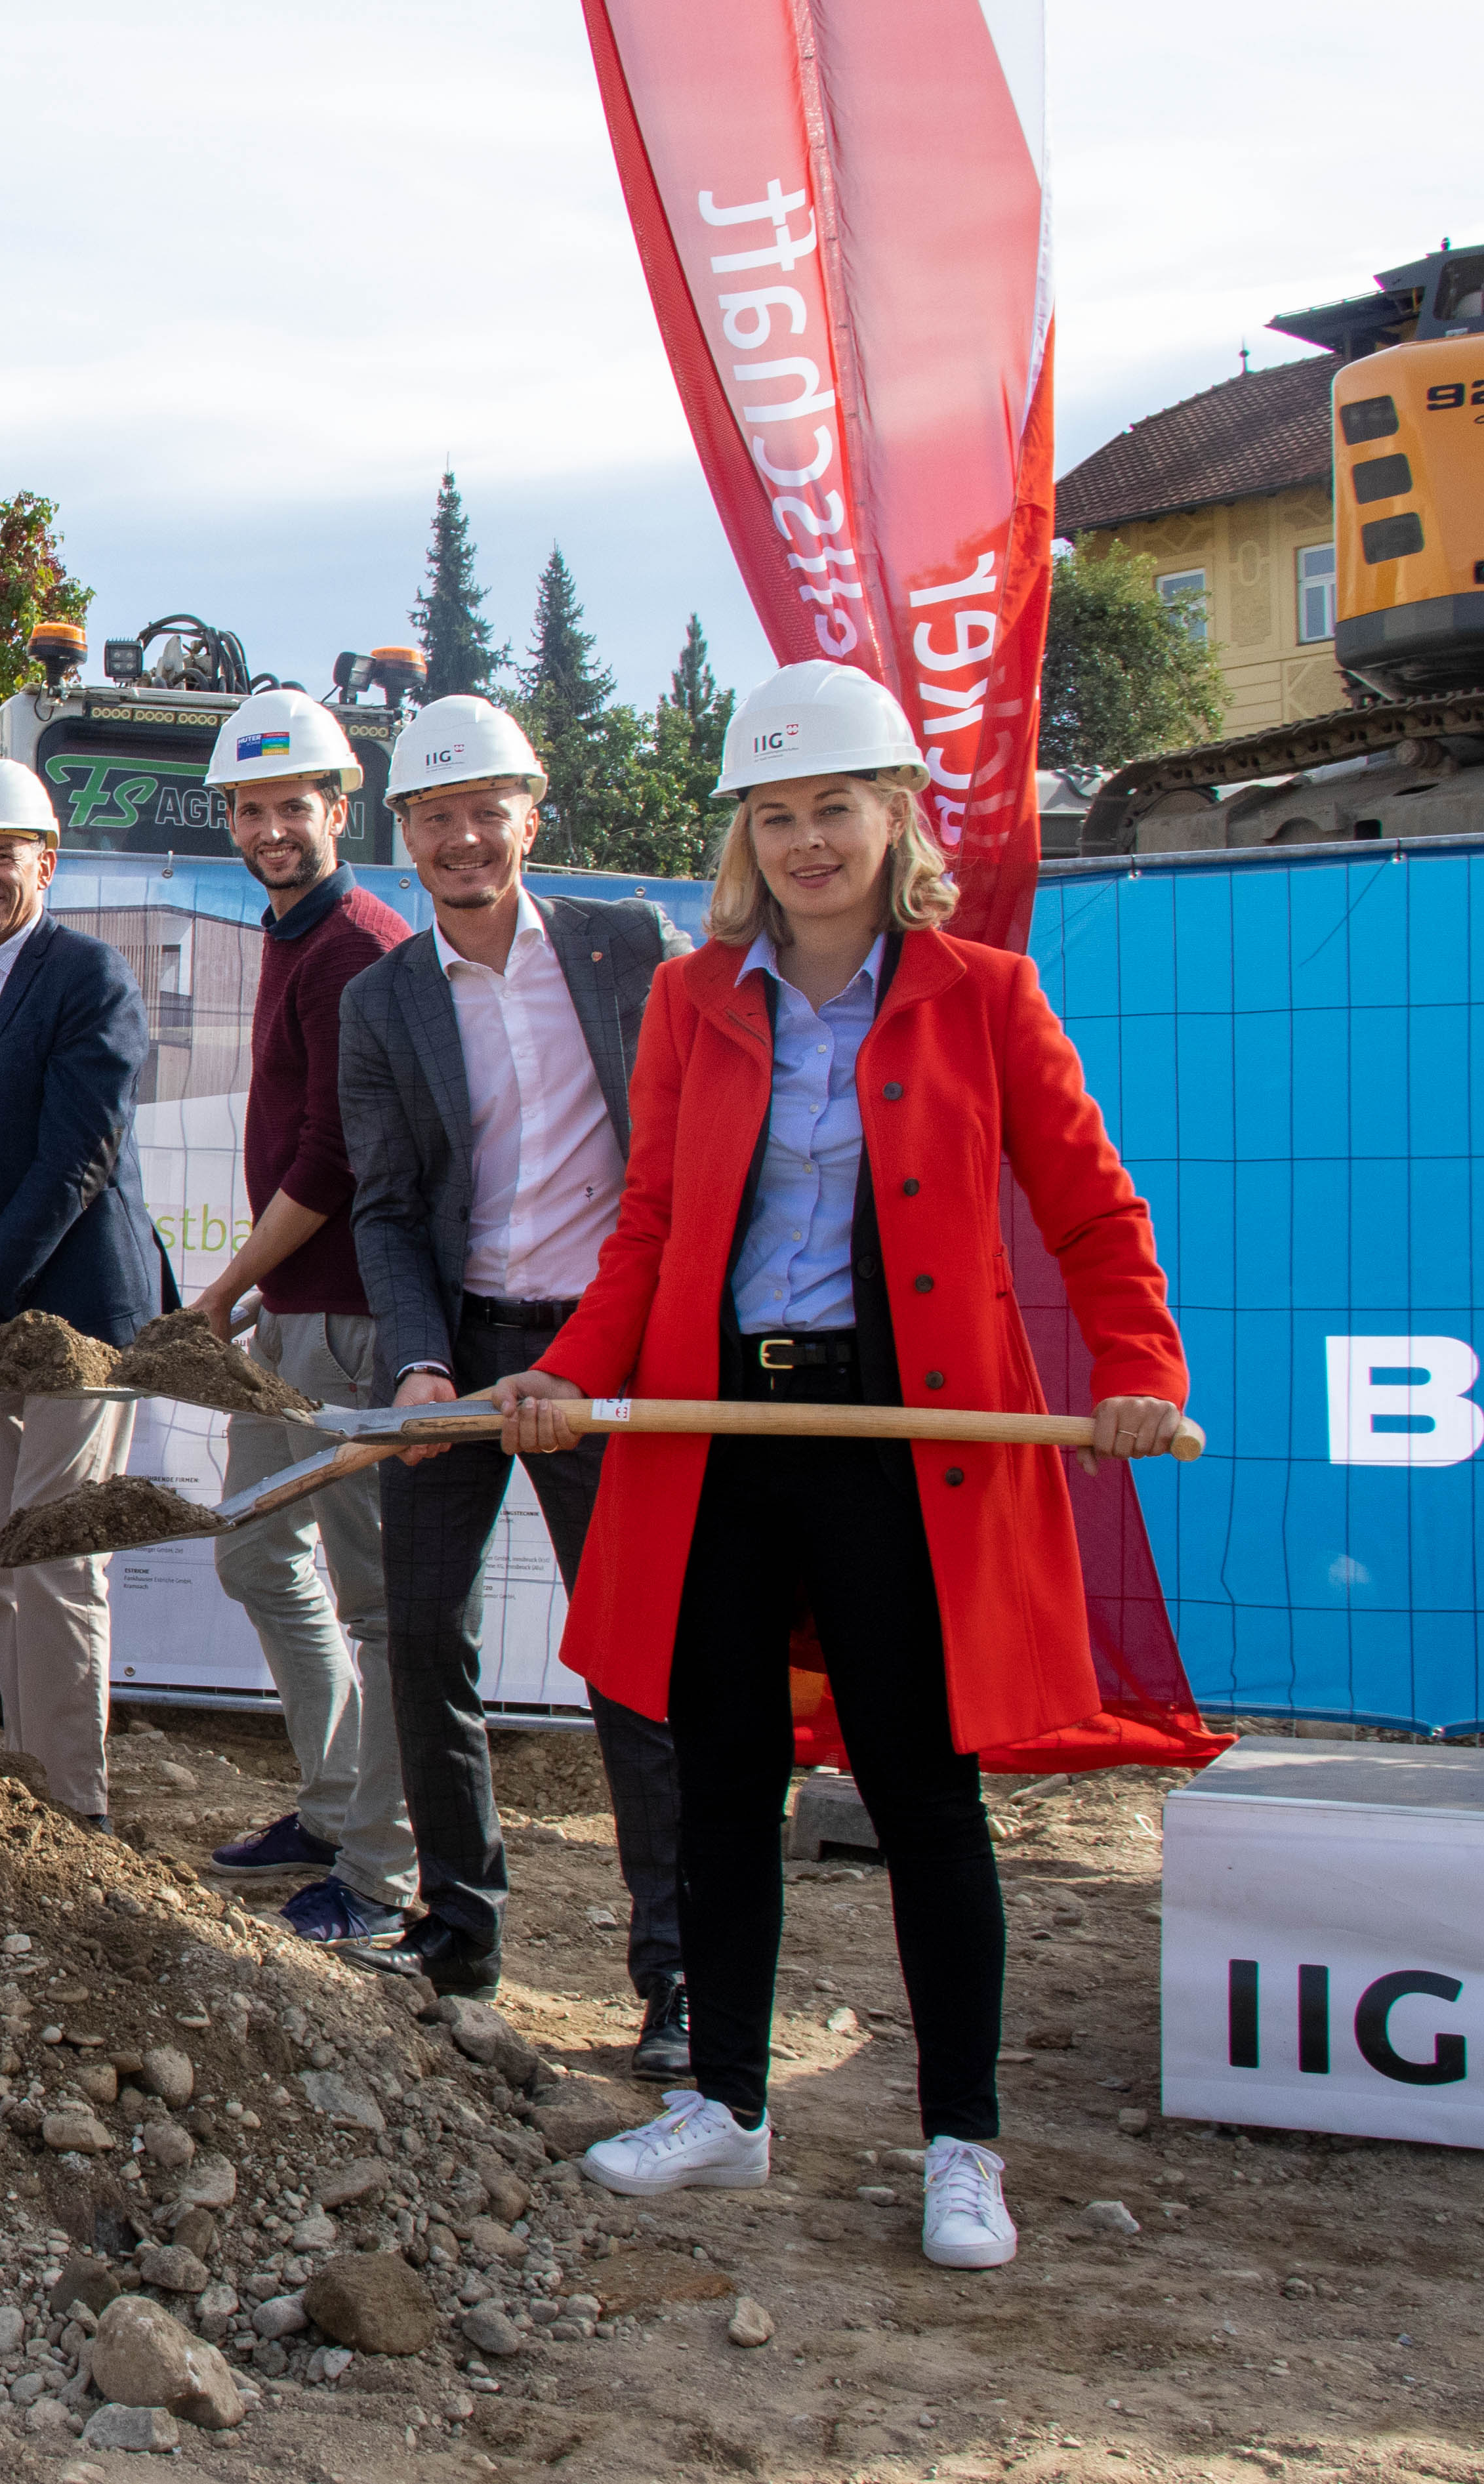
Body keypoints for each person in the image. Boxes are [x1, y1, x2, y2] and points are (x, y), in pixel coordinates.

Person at [489, 661, 1189, 2270]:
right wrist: (566, 1372)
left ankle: (962, 2138)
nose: (808, 839)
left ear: (897, 815)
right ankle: (726, 2101)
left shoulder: (980, 994)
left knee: (923, 1790)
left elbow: (1090, 1208)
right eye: (778, 812)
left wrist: (1141, 1373)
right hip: (726, 1432)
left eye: (837, 807)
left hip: (909, 1445)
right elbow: (651, 1228)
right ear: (747, 832)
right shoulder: (691, 998)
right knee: (724, 1772)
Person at [335, 694, 693, 2074]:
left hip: (601, 1348)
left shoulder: (626, 952)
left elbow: (675, 1160)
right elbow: (383, 1207)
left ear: (530, 818)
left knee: (630, 1660)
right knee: (421, 1635)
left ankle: (671, 1975)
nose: (463, 837)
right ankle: (458, 1926)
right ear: (405, 838)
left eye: (487, 810)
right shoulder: (387, 999)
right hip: (461, 1348)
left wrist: (615, 1343)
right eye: (435, 817)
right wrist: (420, 1364)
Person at [176, 693, 422, 1949]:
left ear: (341, 806)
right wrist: (262, 1295)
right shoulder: (292, 932)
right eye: (251, 809)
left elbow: (333, 1158)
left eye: (294, 806)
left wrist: (224, 1289)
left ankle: (380, 1876)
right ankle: (332, 1805)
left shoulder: (355, 947)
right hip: (297, 1310)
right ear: (228, 818)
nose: (274, 828)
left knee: (377, 1605)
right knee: (250, 1548)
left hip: (353, 1323)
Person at [0, 755, 175, 1831]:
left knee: (54, 1559)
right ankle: (25, 1788)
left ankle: (74, 1814)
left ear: (45, 862)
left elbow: (74, 1162)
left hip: (73, 1315)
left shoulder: (87, 976)